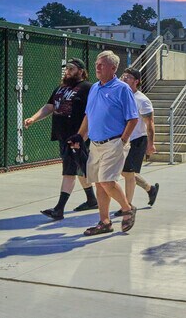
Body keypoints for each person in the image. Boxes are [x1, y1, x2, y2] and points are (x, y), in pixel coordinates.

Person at [68, 51, 139, 236]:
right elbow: (89, 116)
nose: (97, 67)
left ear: (113, 68)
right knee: (99, 183)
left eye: (102, 64)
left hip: (114, 142)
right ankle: (104, 222)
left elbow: (133, 119)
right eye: (97, 63)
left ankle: (127, 208)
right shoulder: (94, 88)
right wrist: (79, 136)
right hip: (95, 144)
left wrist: (122, 141)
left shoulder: (122, 89)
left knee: (107, 181)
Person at [24, 58, 98, 220]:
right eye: (66, 69)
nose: (67, 72)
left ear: (81, 71)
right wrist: (33, 118)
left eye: (71, 69)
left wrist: (82, 136)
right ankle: (92, 200)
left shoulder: (88, 88)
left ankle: (59, 209)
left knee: (70, 171)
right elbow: (49, 106)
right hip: (63, 136)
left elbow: (92, 114)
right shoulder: (61, 88)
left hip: (76, 137)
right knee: (80, 169)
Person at [114, 68, 159, 216]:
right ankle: (150, 189)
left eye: (128, 77)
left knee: (128, 173)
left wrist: (150, 144)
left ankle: (127, 206)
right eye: (123, 76)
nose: (124, 78)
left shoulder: (142, 100)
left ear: (136, 81)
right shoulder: (119, 95)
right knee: (125, 172)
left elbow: (150, 123)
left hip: (137, 140)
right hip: (122, 139)